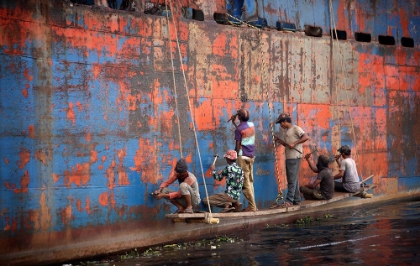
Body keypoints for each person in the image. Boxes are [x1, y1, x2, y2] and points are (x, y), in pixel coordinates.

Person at [273, 113, 309, 207]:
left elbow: (305, 137)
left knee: (291, 180)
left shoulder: (295, 128)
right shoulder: (288, 131)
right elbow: (288, 145)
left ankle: (289, 201)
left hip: (294, 157)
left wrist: (295, 143)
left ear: (285, 121)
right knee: (294, 179)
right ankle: (297, 200)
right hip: (290, 157)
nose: (281, 125)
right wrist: (279, 141)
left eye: (281, 123)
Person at [230, 108, 257, 212]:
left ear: (239, 117)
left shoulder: (239, 130)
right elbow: (242, 132)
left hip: (243, 156)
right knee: (250, 182)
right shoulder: (251, 125)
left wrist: (232, 155)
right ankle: (252, 205)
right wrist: (234, 122)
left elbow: (237, 147)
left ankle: (253, 207)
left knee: (245, 184)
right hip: (251, 156)